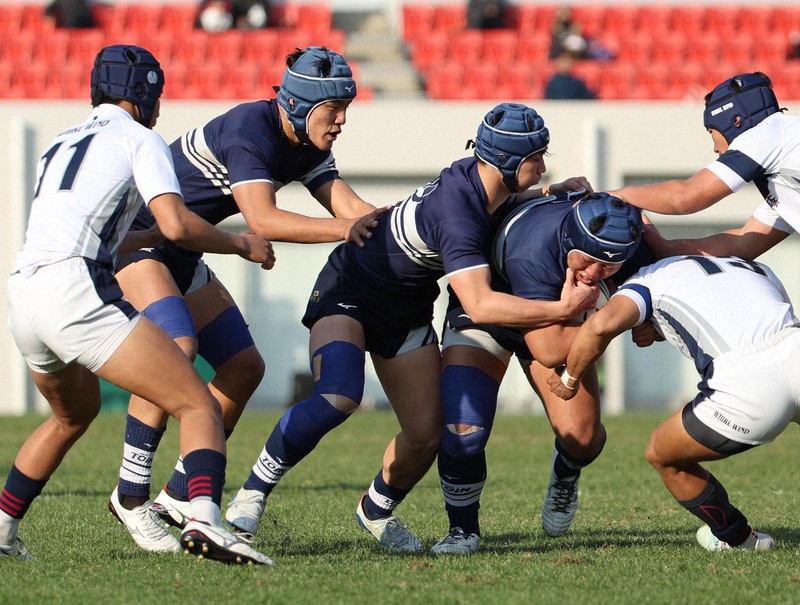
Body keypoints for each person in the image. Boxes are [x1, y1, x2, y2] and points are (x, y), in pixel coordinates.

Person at [223, 102, 600, 552]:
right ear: (506, 161)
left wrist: (545, 192)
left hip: (406, 307)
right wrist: (562, 307)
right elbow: (480, 305)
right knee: (338, 396)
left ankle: (376, 509)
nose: (542, 166)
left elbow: (499, 203)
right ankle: (252, 493)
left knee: (426, 435)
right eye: (535, 158)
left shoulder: (478, 179)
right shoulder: (458, 216)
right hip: (353, 287)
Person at [0, 44, 274, 565]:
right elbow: (176, 224)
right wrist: (241, 243)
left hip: (24, 294)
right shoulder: (140, 138)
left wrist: (143, 236)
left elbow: (89, 231)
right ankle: (204, 521)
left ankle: (2, 530)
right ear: (145, 96)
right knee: (196, 404)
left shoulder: (60, 141)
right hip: (75, 291)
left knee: (71, 416)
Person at [108, 46, 385, 553]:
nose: (342, 120)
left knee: (243, 368)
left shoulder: (306, 143)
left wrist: (407, 226)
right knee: (176, 347)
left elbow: (351, 207)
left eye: (346, 107)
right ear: (298, 105)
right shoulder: (249, 128)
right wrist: (346, 230)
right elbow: (263, 219)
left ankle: (175, 496)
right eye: (334, 108)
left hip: (183, 253)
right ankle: (130, 492)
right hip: (138, 243)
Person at [431, 192, 647, 555]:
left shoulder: (626, 241)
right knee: (463, 428)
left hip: (561, 318)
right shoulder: (534, 249)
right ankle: (462, 529)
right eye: (588, 259)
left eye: (608, 267)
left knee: (582, 438)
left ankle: (565, 473)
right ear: (570, 237)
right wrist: (613, 319)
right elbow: (548, 349)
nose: (594, 273)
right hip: (494, 314)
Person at [547, 254, 794, 551]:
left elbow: (600, 326)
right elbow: (739, 313)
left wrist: (570, 378)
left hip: (749, 385)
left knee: (663, 455)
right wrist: (660, 326)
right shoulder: (749, 265)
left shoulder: (646, 280)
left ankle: (740, 539)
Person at [612, 72, 796, 263]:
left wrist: (618, 195)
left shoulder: (766, 134)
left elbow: (686, 197)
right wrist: (663, 248)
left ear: (736, 121)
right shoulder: (784, 168)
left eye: (711, 131)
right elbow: (743, 244)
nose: (715, 148)